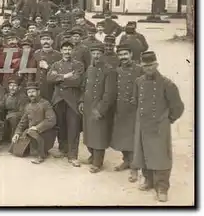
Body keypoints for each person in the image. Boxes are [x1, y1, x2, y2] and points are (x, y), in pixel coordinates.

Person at [132, 51, 185, 202]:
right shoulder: (139, 82)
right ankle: (148, 180)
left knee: (161, 156)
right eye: (145, 66)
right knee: (144, 153)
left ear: (156, 65)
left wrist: (168, 119)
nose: (148, 68)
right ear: (141, 66)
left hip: (159, 126)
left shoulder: (167, 84)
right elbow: (136, 101)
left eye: (151, 65)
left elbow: (178, 107)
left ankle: (162, 187)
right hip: (143, 124)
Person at [79, 44, 117, 173]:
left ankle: (97, 162)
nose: (96, 56)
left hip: (99, 107)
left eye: (98, 54)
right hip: (88, 106)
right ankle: (92, 156)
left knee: (99, 135)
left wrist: (100, 109)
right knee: (89, 133)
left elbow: (109, 93)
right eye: (93, 53)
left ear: (103, 55)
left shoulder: (109, 70)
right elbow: (84, 87)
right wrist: (81, 101)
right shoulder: (89, 69)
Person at [47, 41, 84, 167]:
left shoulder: (78, 65)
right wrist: (65, 76)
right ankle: (63, 149)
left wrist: (59, 78)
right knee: (60, 126)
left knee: (73, 127)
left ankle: (73, 155)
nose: (67, 52)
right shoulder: (56, 64)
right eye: (65, 49)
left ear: (72, 51)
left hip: (72, 100)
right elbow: (49, 78)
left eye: (69, 49)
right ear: (61, 51)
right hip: (58, 99)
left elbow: (77, 81)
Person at [110, 44, 144, 183]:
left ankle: (134, 168)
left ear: (131, 54)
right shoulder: (116, 70)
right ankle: (126, 161)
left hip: (135, 110)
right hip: (120, 109)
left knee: (133, 140)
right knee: (121, 138)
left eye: (125, 54)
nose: (123, 57)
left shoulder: (140, 69)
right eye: (120, 55)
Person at [11, 82, 57, 164]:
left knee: (32, 134)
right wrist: (17, 133)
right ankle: (35, 149)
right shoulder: (28, 106)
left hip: (46, 133)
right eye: (29, 92)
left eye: (33, 92)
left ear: (38, 92)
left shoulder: (45, 104)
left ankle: (41, 155)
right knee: (17, 151)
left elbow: (51, 120)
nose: (31, 94)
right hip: (31, 133)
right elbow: (22, 122)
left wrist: (37, 127)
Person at [29, 31, 63, 101]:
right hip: (39, 86)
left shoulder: (59, 55)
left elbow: (61, 72)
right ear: (40, 41)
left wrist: (48, 67)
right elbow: (31, 71)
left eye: (48, 39)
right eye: (43, 39)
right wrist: (31, 85)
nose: (45, 41)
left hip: (53, 87)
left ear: (52, 41)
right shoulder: (36, 54)